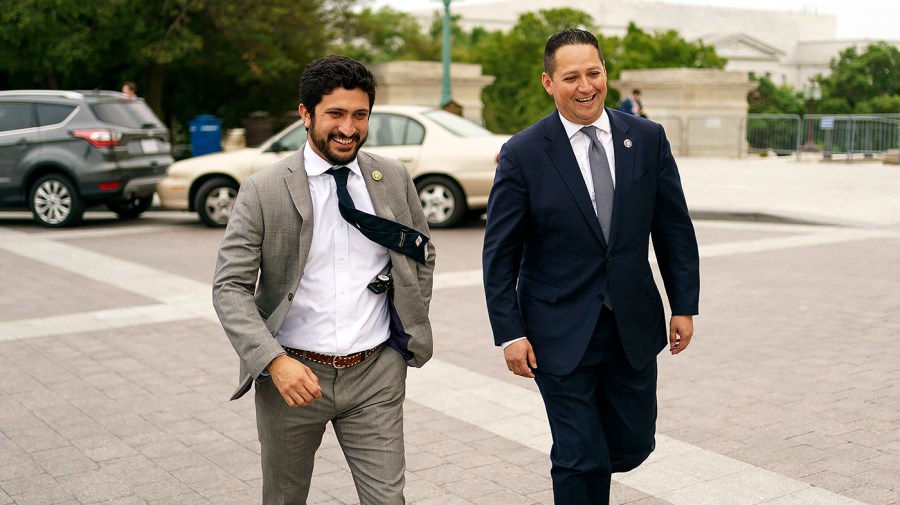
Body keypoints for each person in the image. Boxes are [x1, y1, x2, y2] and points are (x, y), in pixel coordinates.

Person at [482, 28, 699, 505]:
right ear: (548, 82)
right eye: (571, 77)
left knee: (632, 443)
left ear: (606, 74)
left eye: (594, 73)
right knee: (579, 456)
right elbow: (499, 253)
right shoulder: (522, 153)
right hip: (557, 330)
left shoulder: (646, 138)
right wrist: (510, 332)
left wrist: (684, 304)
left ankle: (594, 464)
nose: (585, 87)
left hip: (632, 325)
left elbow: (673, 229)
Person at [212, 55, 435, 504]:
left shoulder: (391, 177)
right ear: (305, 114)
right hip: (292, 377)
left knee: (388, 500)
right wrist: (274, 362)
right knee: (284, 498)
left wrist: (401, 334)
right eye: (335, 114)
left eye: (360, 115)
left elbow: (421, 254)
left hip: (375, 374)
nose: (348, 128)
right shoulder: (263, 189)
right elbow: (229, 288)